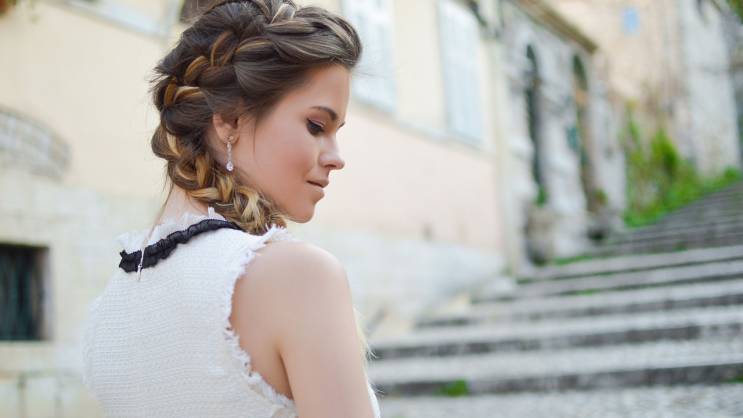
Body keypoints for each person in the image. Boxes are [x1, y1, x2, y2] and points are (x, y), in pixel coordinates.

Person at [81, 1, 381, 417]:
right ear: (229, 120)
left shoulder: (111, 306)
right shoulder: (300, 276)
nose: (336, 157)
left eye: (336, 132)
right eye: (316, 126)